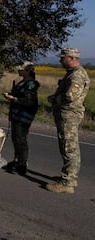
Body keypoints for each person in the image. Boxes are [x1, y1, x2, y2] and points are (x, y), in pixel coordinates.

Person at [46, 48, 90, 194]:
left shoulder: (77, 75)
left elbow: (70, 96)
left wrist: (54, 99)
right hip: (67, 114)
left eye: (62, 58)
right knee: (69, 146)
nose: (60, 60)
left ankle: (67, 182)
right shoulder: (73, 73)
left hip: (69, 115)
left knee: (68, 147)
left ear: (71, 58)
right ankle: (69, 176)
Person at [3, 61, 40, 175]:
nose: (19, 70)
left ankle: (22, 165)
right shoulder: (23, 82)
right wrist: (12, 96)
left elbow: (29, 102)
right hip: (17, 115)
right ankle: (16, 161)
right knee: (15, 139)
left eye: (21, 69)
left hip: (23, 116)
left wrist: (13, 99)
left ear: (28, 71)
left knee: (21, 140)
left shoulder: (31, 84)